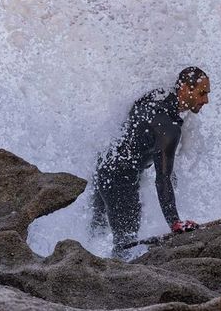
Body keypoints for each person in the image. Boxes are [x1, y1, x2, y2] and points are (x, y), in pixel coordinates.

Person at [90, 66, 210, 258]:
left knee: (95, 231)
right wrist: (175, 223)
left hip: (104, 165)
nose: (206, 100)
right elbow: (162, 178)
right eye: (202, 93)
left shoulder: (155, 96)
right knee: (125, 245)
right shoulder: (169, 128)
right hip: (120, 180)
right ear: (184, 89)